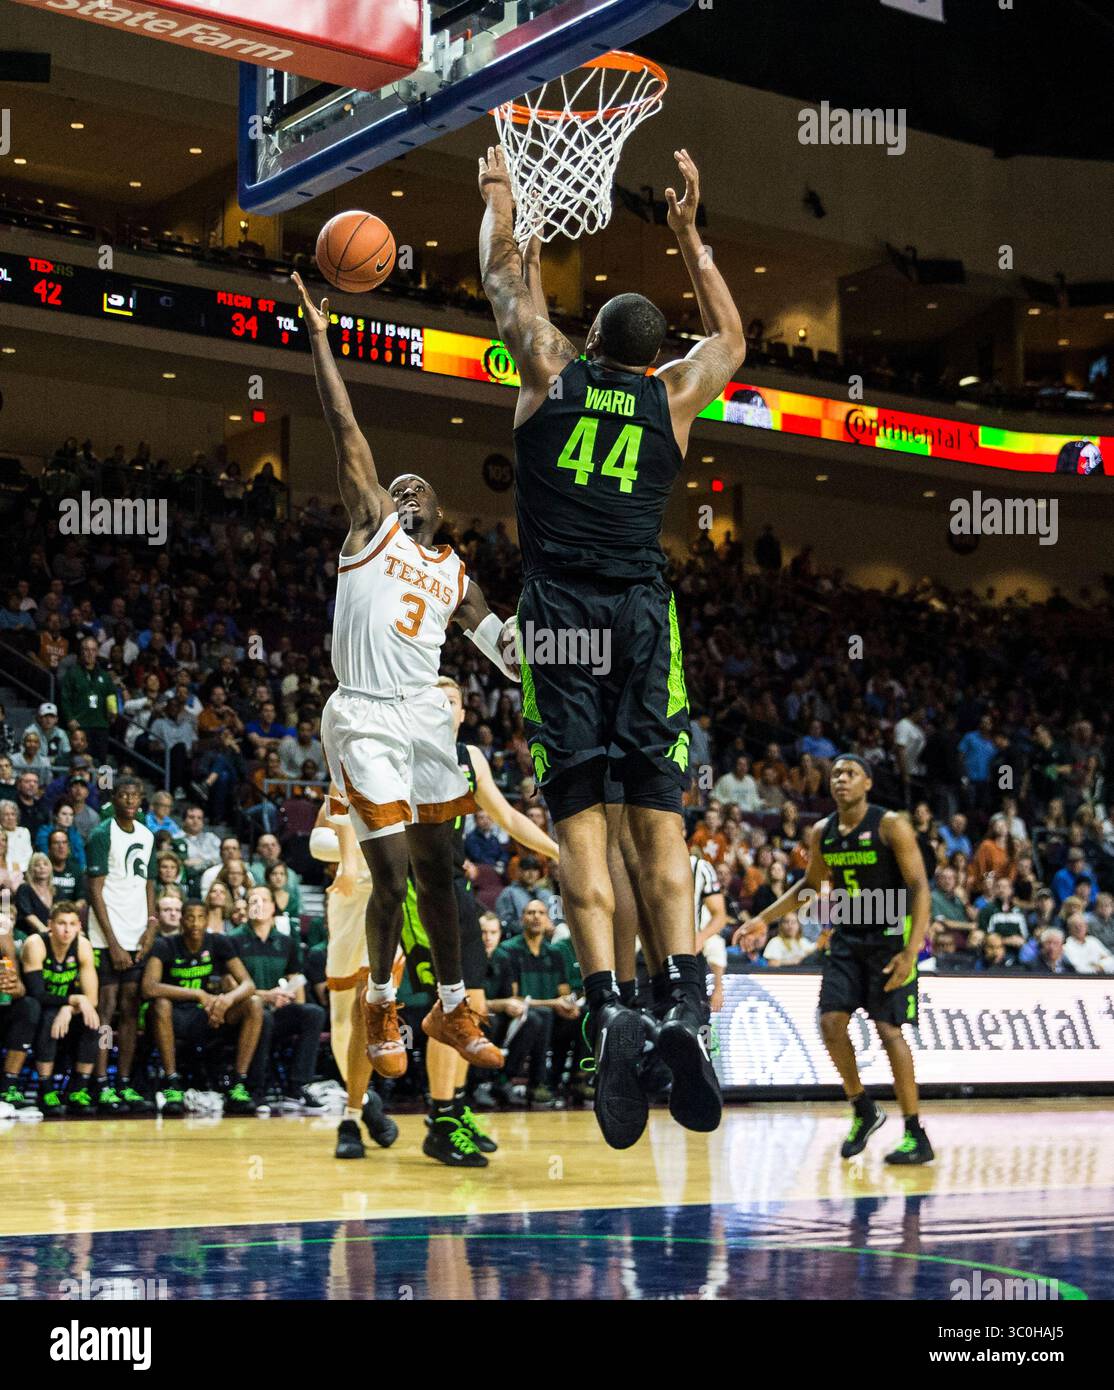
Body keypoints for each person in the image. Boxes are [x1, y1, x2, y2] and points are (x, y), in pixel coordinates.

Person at [479, 144, 744, 1149]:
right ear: (649, 354)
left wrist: (504, 198)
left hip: (559, 618)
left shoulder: (547, 374)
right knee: (659, 829)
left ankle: (606, 1004)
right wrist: (686, 232)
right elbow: (729, 335)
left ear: (586, 339)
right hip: (641, 614)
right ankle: (684, 1004)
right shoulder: (672, 397)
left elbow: (506, 283)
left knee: (582, 830)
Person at [292, 269, 514, 1087]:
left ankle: (451, 1004)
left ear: (441, 514)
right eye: (398, 484)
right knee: (387, 876)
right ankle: (381, 1002)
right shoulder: (369, 530)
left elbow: (509, 651)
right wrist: (320, 338)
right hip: (363, 714)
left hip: (425, 716)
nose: (404, 487)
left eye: (419, 488)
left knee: (440, 874)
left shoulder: (456, 574)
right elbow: (343, 426)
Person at [736, 754, 933, 1164]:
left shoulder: (890, 825)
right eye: (836, 774)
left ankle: (916, 1133)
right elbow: (809, 887)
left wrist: (911, 952)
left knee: (888, 1030)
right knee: (829, 1022)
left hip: (890, 940)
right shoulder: (823, 832)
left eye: (850, 773)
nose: (841, 779)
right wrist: (762, 920)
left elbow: (918, 886)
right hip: (847, 938)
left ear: (867, 784)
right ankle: (863, 1108)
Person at [412, 677, 559, 1165]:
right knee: (449, 1010)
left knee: (471, 1008)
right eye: (435, 698)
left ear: (461, 714)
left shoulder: (470, 758)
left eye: (452, 700)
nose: (444, 705)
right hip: (421, 891)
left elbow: (509, 817)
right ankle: (440, 1117)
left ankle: (450, 1109)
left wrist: (559, 851)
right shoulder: (405, 752)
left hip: (458, 891)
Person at [308, 791, 398, 1160]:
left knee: (368, 1002)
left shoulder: (399, 783)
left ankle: (350, 1115)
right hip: (346, 903)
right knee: (341, 1019)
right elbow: (317, 845)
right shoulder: (340, 787)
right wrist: (366, 845)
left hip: (385, 898)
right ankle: (364, 1097)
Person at [142, 899, 264, 1115]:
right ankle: (172, 1083)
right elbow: (149, 988)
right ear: (181, 921)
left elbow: (248, 984)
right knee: (160, 1005)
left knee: (253, 1004)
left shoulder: (219, 942)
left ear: (207, 920)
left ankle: (238, 1084)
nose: (195, 923)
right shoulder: (165, 945)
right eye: (190, 917)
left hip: (210, 1015)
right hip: (176, 1016)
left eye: (200, 918)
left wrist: (227, 999)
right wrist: (197, 993)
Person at [84, 777, 158, 1115]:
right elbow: (95, 891)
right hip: (107, 936)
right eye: (123, 795)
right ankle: (100, 1081)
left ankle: (124, 1082)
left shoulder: (147, 834)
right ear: (114, 799)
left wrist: (151, 927)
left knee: (130, 1011)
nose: (129, 800)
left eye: (135, 795)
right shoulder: (101, 834)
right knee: (106, 1009)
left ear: (141, 799)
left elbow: (149, 885)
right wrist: (112, 943)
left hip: (137, 933)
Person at [231, 884, 326, 1106]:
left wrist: (293, 1002)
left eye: (263, 900)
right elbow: (230, 986)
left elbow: (296, 981)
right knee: (262, 1016)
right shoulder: (233, 939)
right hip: (244, 1012)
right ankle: (256, 1087)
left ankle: (297, 1085)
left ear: (273, 907)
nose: (258, 905)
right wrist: (266, 996)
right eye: (253, 901)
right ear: (246, 907)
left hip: (276, 1010)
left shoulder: (286, 942)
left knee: (312, 1013)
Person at [3, 902, 100, 1116]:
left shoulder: (83, 946)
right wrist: (72, 1000)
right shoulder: (36, 944)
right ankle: (45, 1089)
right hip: (38, 1008)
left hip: (65, 1009)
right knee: (45, 1014)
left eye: (72, 924)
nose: (66, 929)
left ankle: (78, 1090)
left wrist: (69, 1007)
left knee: (95, 1018)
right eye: (61, 923)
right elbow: (37, 994)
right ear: (49, 925)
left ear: (79, 927)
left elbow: (91, 998)